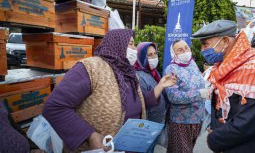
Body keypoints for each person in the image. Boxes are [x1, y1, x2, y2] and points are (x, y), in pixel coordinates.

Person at [42, 29, 176, 152]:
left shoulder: (128, 73)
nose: (134, 49)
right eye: (130, 44)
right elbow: (55, 107)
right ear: (116, 44)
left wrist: (160, 86)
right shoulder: (90, 68)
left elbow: (137, 105)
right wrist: (90, 136)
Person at [192, 20, 255, 153]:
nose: (202, 50)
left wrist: (214, 138)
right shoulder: (222, 66)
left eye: (205, 44)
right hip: (230, 144)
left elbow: (249, 121)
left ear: (225, 41)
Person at [164, 40, 209, 153]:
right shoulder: (171, 69)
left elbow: (198, 82)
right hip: (181, 122)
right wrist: (199, 94)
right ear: (174, 53)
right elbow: (173, 96)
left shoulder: (192, 64)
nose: (184, 51)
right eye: (180, 50)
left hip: (197, 119)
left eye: (186, 48)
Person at [134, 42, 171, 151]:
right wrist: (160, 86)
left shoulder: (153, 72)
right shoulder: (138, 76)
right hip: (147, 126)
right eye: (149, 55)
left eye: (155, 54)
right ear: (141, 56)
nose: (154, 57)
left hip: (157, 122)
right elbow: (144, 102)